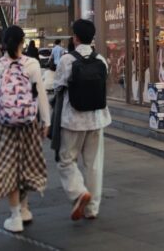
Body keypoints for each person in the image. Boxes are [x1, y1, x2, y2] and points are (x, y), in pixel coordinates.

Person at [0, 26, 51, 233]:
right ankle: (25, 208)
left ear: (3, 43)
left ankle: (15, 216)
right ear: (23, 42)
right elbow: (40, 94)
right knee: (25, 165)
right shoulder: (32, 64)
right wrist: (46, 121)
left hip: (4, 124)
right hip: (28, 123)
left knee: (8, 167)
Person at [54, 19, 111, 220]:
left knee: (66, 160)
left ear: (75, 38)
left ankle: (79, 193)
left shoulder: (67, 60)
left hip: (73, 119)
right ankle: (92, 208)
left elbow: (58, 86)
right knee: (94, 164)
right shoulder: (101, 60)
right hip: (97, 117)